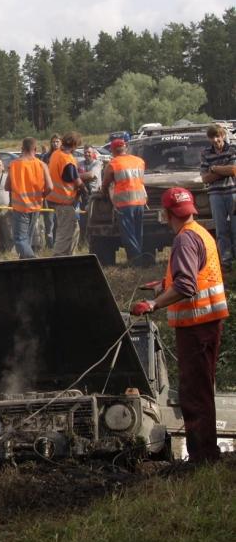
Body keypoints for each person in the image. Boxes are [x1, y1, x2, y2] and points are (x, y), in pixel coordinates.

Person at [131, 188, 226, 464]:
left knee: (194, 394)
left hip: (196, 326)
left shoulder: (184, 239)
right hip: (207, 324)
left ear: (165, 213)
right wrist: (164, 284)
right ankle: (206, 454)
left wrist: (153, 303)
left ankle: (202, 458)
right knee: (202, 389)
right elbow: (194, 274)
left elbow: (186, 285)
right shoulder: (200, 232)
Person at [100, 138, 146, 263]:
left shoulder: (113, 164)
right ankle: (139, 257)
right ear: (125, 148)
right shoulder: (139, 161)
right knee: (138, 232)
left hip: (125, 203)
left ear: (113, 150)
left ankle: (136, 261)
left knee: (128, 234)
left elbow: (105, 183)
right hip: (140, 201)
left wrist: (103, 192)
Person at [6, 137, 53, 259]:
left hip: (20, 208)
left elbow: (7, 186)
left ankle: (33, 259)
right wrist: (42, 195)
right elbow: (50, 187)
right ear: (35, 149)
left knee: (20, 239)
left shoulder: (14, 164)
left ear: (22, 149)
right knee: (27, 239)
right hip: (36, 207)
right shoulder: (42, 165)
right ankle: (26, 263)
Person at [199, 123, 236, 270]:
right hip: (215, 194)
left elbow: (233, 170)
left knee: (235, 227)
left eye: (217, 136)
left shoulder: (232, 149)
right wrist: (224, 170)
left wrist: (214, 168)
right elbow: (205, 178)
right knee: (221, 229)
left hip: (233, 192)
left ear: (223, 135)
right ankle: (226, 260)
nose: (215, 140)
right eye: (212, 137)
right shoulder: (205, 153)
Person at [46, 132, 83, 256]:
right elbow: (76, 180)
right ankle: (58, 257)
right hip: (64, 201)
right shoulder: (67, 159)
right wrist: (84, 189)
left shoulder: (56, 154)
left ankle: (69, 257)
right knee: (64, 232)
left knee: (74, 229)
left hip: (56, 199)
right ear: (74, 145)